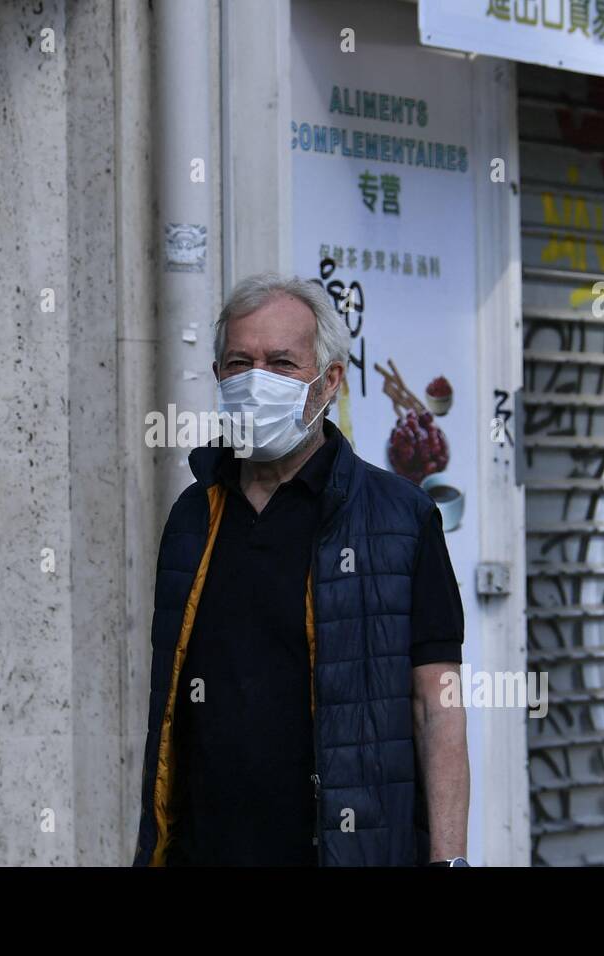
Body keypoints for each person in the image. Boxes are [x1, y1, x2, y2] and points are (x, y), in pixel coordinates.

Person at [132, 272, 469, 867]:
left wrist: (450, 861)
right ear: (217, 377)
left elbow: (435, 704)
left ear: (328, 381)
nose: (255, 380)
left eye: (281, 363)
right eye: (239, 362)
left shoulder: (400, 518)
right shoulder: (193, 515)